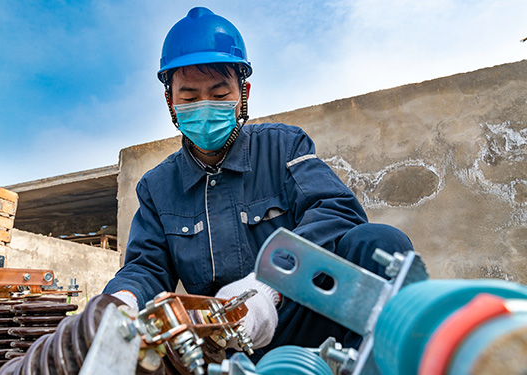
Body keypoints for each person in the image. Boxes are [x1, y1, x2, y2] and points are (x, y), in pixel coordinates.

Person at [103, 7, 413, 359]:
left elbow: (336, 210)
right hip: (222, 346)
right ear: (170, 100)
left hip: (305, 319)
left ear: (243, 92)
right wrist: (119, 302)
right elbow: (146, 267)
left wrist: (271, 282)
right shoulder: (157, 188)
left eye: (220, 96)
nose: (204, 107)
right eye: (189, 98)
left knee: (379, 243)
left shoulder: (284, 147)